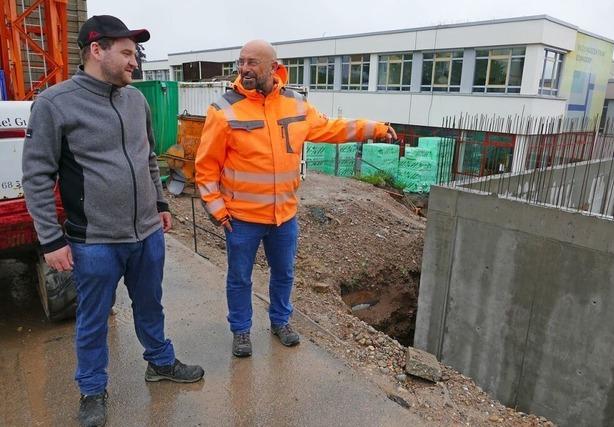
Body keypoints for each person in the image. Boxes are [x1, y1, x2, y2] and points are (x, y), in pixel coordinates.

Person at [22, 15, 204, 427]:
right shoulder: (55, 104)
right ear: (96, 50)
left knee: (150, 305)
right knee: (92, 318)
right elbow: (36, 176)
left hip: (146, 234)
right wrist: (51, 241)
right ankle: (91, 389)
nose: (134, 63)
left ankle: (159, 362)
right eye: (126, 53)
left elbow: (149, 160)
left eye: (135, 54)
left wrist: (161, 205)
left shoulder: (135, 100)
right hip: (95, 241)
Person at [195, 40, 396, 358]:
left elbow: (330, 129)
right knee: (239, 278)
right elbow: (205, 168)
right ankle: (241, 331)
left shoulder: (296, 104)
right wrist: (217, 210)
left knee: (285, 273)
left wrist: (374, 129)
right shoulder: (223, 109)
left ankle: (280, 322)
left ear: (273, 68)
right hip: (242, 218)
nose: (244, 69)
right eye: (241, 62)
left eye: (253, 63)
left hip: (283, 215)